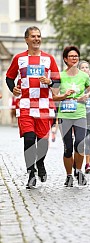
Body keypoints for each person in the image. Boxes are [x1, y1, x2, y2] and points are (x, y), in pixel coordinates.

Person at [6, 26, 60, 189]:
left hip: (44, 105)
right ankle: (30, 173)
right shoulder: (19, 58)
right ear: (26, 40)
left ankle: (40, 163)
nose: (37, 39)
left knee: (42, 143)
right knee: (29, 139)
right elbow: (9, 77)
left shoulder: (49, 59)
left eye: (39, 36)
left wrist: (50, 82)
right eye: (33, 36)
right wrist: (13, 88)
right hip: (25, 104)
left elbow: (57, 81)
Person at [52, 46, 90, 187]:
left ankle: (79, 171)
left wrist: (86, 96)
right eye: (71, 56)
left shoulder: (84, 76)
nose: (74, 58)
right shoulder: (60, 76)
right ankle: (69, 175)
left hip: (80, 114)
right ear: (65, 59)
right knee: (68, 147)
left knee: (80, 144)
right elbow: (54, 97)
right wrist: (64, 96)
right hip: (65, 115)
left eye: (76, 56)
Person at [78, 60, 90, 173]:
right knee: (79, 139)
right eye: (83, 68)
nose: (85, 69)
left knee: (88, 139)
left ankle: (88, 164)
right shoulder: (76, 81)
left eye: (86, 68)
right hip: (79, 113)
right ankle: (78, 162)